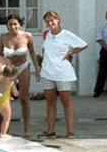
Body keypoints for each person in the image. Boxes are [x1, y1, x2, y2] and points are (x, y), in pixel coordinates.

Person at [36, 11, 87, 139]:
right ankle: (50, 130)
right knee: (50, 101)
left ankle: (70, 131)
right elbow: (44, 49)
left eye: (52, 20)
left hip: (63, 72)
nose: (50, 23)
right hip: (48, 71)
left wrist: (71, 52)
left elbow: (83, 45)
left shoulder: (66, 34)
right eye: (47, 21)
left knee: (66, 101)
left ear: (58, 20)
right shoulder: (46, 34)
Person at [0, 14, 38, 136]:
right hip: (9, 68)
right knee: (5, 98)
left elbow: (32, 52)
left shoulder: (27, 36)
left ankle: (27, 127)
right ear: (7, 25)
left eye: (15, 24)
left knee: (24, 98)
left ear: (19, 24)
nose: (13, 27)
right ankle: (6, 126)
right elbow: (0, 55)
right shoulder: (3, 37)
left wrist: (37, 68)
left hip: (23, 66)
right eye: (10, 24)